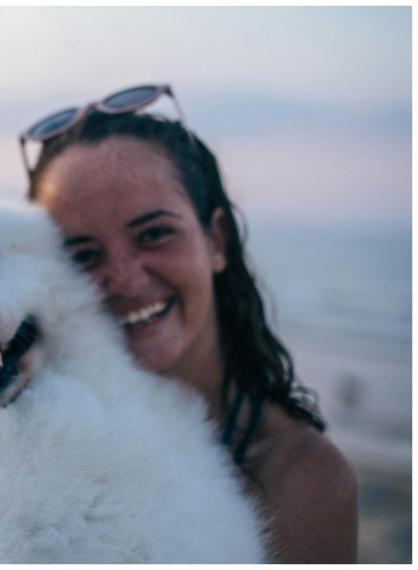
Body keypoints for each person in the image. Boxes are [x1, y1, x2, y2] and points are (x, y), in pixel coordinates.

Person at [19, 85, 358, 563]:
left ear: (216, 240)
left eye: (154, 234)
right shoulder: (15, 446)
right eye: (83, 255)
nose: (125, 278)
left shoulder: (296, 477)